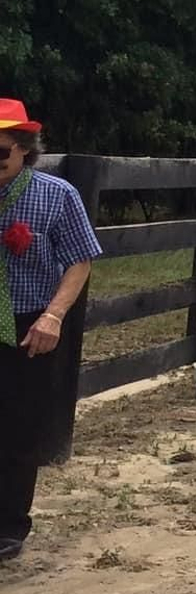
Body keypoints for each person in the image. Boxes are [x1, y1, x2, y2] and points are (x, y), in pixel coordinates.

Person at [0, 100, 103, 565]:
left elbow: (80, 258)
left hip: (26, 323)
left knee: (19, 426)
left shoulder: (57, 195)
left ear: (23, 149)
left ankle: (8, 526)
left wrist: (54, 316)